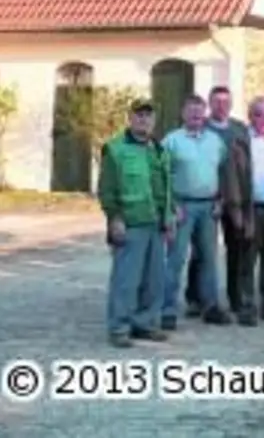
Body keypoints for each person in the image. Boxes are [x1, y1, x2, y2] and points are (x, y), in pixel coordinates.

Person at [98, 99, 173, 348]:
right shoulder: (115, 149)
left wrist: (168, 218)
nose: (144, 120)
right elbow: (107, 190)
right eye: (139, 115)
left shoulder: (158, 149)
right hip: (130, 223)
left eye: (148, 116)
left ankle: (145, 324)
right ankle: (119, 327)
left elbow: (165, 188)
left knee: (154, 280)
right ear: (130, 118)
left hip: (155, 222)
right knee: (126, 280)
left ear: (154, 120)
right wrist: (114, 218)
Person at [161, 94, 231, 329]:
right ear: (183, 114)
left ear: (205, 115)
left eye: (200, 112)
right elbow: (161, 177)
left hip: (209, 206)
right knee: (176, 259)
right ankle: (167, 309)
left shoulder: (215, 141)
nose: (196, 116)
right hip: (182, 206)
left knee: (209, 258)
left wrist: (221, 199)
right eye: (191, 111)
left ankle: (210, 306)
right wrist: (171, 207)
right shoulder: (171, 141)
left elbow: (222, 171)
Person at [220, 95, 264, 326]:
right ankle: (246, 308)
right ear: (250, 117)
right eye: (258, 114)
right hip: (252, 210)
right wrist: (236, 212)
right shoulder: (240, 143)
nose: (263, 119)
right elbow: (231, 180)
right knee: (247, 262)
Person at [195, 86, 248, 316]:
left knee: (235, 248)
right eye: (216, 102)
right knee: (202, 251)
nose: (221, 106)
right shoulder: (201, 128)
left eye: (226, 101)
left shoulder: (240, 129)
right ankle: (197, 296)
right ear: (209, 104)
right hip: (208, 198)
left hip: (235, 198)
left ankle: (235, 297)